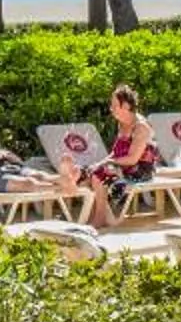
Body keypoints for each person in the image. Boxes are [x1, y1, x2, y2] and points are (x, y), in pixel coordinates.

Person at [64, 84, 159, 230]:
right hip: (121, 166)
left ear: (126, 105)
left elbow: (133, 159)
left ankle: (100, 218)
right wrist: (98, 163)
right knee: (86, 172)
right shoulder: (122, 124)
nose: (111, 109)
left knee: (100, 174)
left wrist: (106, 163)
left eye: (114, 105)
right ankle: (92, 211)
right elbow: (116, 152)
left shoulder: (141, 127)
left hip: (139, 171)